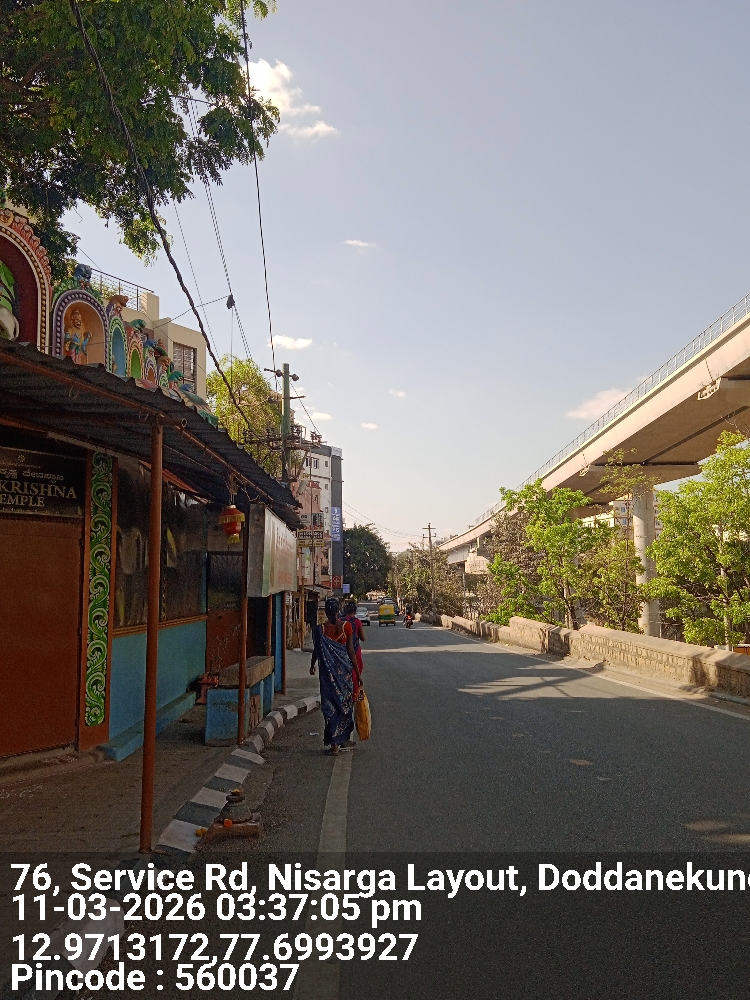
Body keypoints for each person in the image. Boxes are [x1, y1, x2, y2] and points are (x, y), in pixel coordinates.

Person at [310, 597, 360, 755]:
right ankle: (342, 738)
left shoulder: (319, 630)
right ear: (339, 611)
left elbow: (317, 650)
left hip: (327, 676)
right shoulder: (347, 627)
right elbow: (351, 651)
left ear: (325, 612)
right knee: (344, 705)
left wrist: (312, 664)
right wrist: (357, 674)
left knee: (330, 707)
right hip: (344, 675)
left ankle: (335, 745)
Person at [342, 599, 365, 697]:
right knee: (356, 671)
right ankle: (354, 694)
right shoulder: (357, 622)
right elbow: (363, 638)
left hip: (342, 651)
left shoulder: (341, 621)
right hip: (355, 650)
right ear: (355, 611)